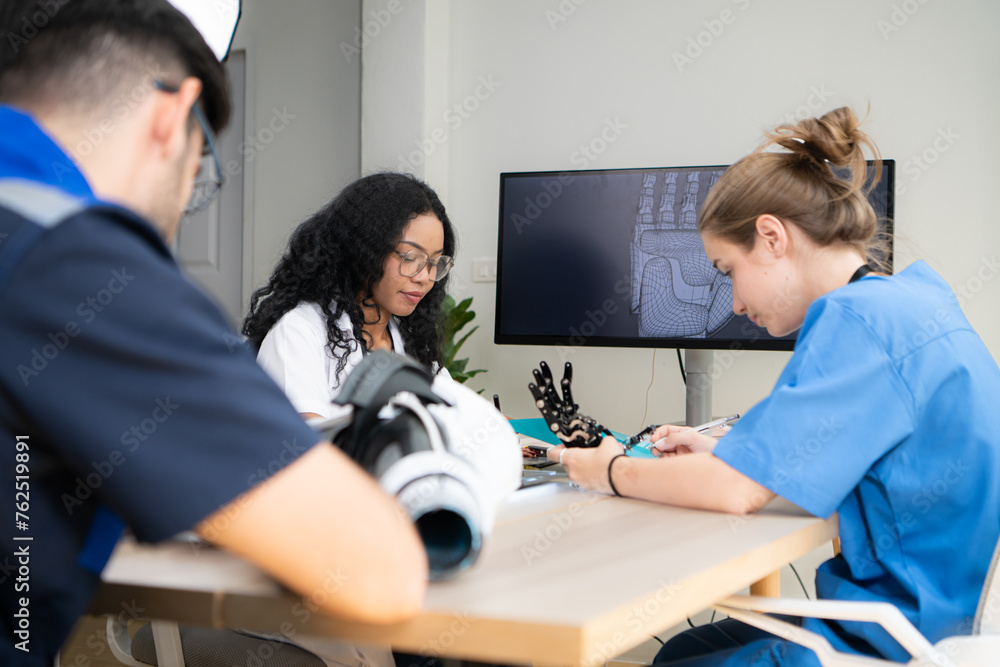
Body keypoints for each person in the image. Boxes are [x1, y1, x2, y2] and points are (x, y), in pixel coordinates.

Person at [0, 2, 427, 665]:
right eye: (198, 173)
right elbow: (378, 570)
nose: (177, 216)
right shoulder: (78, 261)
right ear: (174, 116)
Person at [547, 107, 1000, 666]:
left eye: (726, 269)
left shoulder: (854, 320)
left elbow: (738, 491)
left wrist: (608, 470)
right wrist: (723, 455)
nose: (735, 303)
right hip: (953, 613)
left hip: (908, 635)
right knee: (688, 647)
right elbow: (846, 460)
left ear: (770, 236)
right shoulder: (914, 299)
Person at [242, 172, 457, 422]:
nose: (425, 277)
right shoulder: (298, 333)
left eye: (434, 262)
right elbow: (311, 449)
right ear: (365, 251)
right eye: (411, 258)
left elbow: (461, 421)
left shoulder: (412, 343)